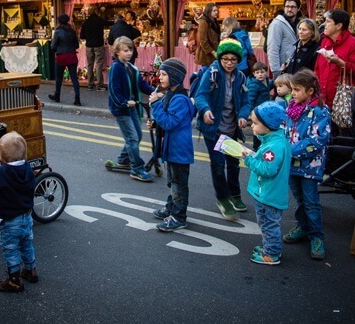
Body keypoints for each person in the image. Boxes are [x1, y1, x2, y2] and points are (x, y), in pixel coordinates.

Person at [193, 38, 252, 219]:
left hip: (232, 128)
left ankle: (235, 194)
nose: (228, 63)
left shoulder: (241, 77)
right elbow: (200, 95)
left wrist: (243, 115)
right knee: (218, 165)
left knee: (234, 164)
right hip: (214, 129)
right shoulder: (212, 73)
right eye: (225, 59)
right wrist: (205, 110)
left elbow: (246, 101)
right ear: (219, 58)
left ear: (238, 60)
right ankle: (223, 199)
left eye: (232, 60)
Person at [282, 69, 331, 260]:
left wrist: (290, 151)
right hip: (292, 165)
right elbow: (284, 131)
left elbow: (318, 139)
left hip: (310, 166)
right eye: (292, 89)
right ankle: (303, 227)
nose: (293, 93)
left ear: (310, 91)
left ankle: (317, 237)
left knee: (311, 202)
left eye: (297, 89)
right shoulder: (292, 107)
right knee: (300, 199)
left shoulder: (319, 111)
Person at [0, 132, 38, 293]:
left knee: (10, 248)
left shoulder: (0, 174)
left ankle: (14, 280)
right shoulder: (28, 168)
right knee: (26, 244)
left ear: (1, 156)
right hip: (27, 217)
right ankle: (30, 270)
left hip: (9, 220)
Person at [149, 58, 195, 232]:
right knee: (173, 181)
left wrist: (155, 105)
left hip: (179, 150)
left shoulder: (180, 100)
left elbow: (169, 123)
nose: (159, 77)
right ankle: (171, 207)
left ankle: (178, 217)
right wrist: (155, 123)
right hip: (173, 148)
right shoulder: (171, 95)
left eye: (164, 74)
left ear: (174, 77)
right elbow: (165, 120)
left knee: (178, 184)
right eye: (160, 73)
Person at [242, 101, 291, 265]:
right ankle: (269, 247)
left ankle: (271, 254)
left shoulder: (273, 146)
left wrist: (248, 160)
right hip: (268, 192)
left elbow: (267, 170)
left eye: (255, 123)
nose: (252, 126)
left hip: (269, 194)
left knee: (269, 224)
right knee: (266, 223)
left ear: (268, 125)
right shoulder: (274, 141)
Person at [105, 36, 155, 182]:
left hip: (132, 108)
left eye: (131, 50)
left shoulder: (131, 68)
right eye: (125, 50)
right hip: (121, 109)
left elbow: (141, 84)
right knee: (132, 137)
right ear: (117, 52)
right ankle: (137, 169)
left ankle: (123, 159)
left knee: (137, 136)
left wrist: (154, 91)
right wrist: (125, 102)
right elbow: (114, 91)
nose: (129, 53)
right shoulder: (116, 68)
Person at [313, 9, 355, 109]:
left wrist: (340, 63)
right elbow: (317, 69)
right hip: (323, 100)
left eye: (328, 21)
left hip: (343, 102)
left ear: (338, 26)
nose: (324, 24)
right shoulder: (325, 41)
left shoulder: (353, 44)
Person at [47, 14, 82, 106]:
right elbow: (77, 46)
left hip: (61, 56)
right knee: (74, 78)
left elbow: (53, 46)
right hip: (72, 55)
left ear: (58, 21)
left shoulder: (58, 32)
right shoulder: (72, 31)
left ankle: (57, 96)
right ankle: (77, 98)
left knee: (59, 77)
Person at [267, 0, 302, 78]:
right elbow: (272, 48)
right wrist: (276, 71)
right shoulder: (277, 24)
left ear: (298, 8)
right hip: (282, 70)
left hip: (295, 68)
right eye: (287, 6)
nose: (289, 9)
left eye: (293, 7)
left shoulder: (299, 23)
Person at [80, 6, 109, 91]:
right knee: (99, 64)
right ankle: (99, 84)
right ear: (96, 11)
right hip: (98, 45)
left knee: (90, 64)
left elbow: (82, 36)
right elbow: (109, 23)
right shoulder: (99, 20)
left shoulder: (85, 22)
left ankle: (90, 84)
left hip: (89, 45)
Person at [246, 61, 273, 150]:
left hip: (264, 110)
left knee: (264, 128)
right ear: (254, 74)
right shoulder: (254, 85)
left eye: (262, 72)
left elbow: (270, 86)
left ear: (266, 72)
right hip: (257, 111)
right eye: (257, 73)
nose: (260, 74)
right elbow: (250, 99)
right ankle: (256, 147)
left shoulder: (266, 81)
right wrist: (249, 112)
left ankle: (262, 145)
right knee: (257, 130)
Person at [195, 3, 221, 67]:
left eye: (217, 10)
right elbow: (203, 40)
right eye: (214, 11)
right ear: (209, 11)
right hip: (207, 55)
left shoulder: (213, 21)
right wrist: (212, 52)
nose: (216, 12)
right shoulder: (204, 22)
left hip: (214, 51)